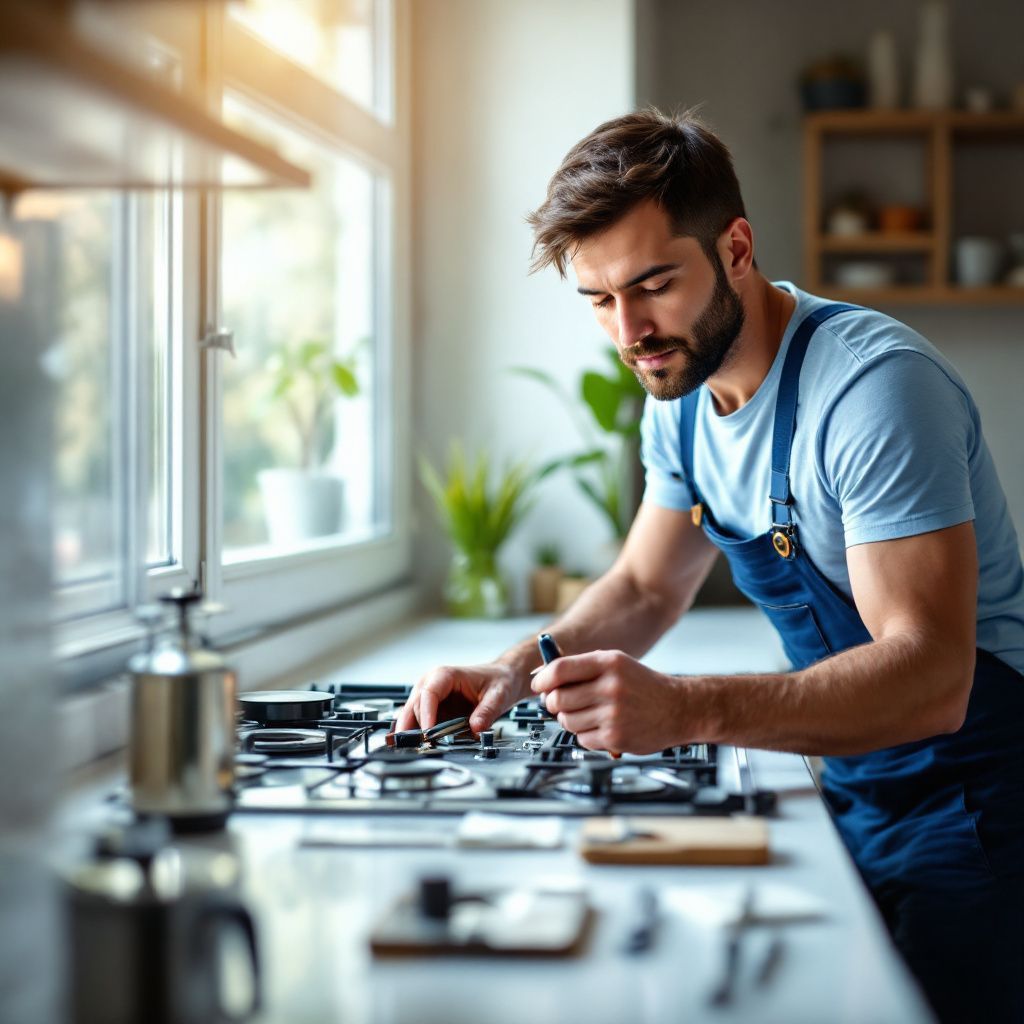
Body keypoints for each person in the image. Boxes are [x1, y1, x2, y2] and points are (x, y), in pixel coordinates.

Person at [395, 108, 1024, 1023]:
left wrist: (687, 707)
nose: (630, 331)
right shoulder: (680, 391)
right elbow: (647, 586)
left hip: (977, 799)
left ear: (736, 247)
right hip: (853, 779)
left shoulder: (873, 391)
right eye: (600, 300)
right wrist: (514, 666)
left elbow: (933, 677)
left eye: (653, 285)